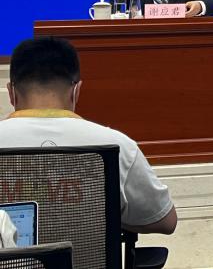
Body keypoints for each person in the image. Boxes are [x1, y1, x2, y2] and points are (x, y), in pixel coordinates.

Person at [1, 37, 177, 234]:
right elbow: (165, 221)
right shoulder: (117, 144)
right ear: (76, 91)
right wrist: (105, 218)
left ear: (11, 93)